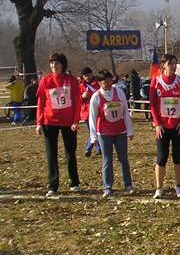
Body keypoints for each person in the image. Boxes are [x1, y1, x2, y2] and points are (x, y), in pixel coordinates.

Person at [36, 52, 81, 197]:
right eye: (51, 63)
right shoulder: (45, 80)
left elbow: (77, 102)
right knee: (51, 154)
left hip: (68, 122)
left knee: (70, 152)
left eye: (56, 63)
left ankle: (74, 182)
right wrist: (39, 122)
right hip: (49, 121)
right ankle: (53, 184)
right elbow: (41, 103)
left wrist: (76, 120)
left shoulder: (72, 80)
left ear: (63, 65)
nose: (53, 66)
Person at [150, 53, 180, 199]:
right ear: (163, 66)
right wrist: (157, 124)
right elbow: (152, 105)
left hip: (178, 126)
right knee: (161, 157)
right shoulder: (156, 82)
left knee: (177, 157)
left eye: (175, 63)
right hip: (162, 127)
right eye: (170, 64)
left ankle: (178, 186)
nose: (174, 66)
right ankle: (159, 188)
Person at [87, 69, 134, 197]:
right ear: (99, 83)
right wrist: (93, 137)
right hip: (104, 133)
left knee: (123, 159)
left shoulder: (119, 93)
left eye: (109, 81)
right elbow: (92, 117)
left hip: (120, 131)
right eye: (105, 82)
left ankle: (128, 185)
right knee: (107, 159)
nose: (108, 84)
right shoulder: (96, 97)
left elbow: (125, 112)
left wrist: (129, 130)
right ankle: (107, 187)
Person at [79, 67, 101, 156]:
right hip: (86, 112)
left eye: (88, 75)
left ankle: (90, 148)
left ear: (91, 74)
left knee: (96, 130)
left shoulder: (98, 83)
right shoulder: (81, 86)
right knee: (92, 131)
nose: (87, 77)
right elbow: (76, 99)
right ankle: (97, 148)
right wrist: (82, 97)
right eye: (85, 76)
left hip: (97, 110)